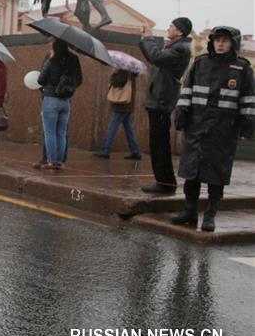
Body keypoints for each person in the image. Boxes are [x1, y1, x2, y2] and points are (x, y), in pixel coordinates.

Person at [171, 27, 254, 231]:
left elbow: (249, 99)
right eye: (217, 40)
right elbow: (187, 90)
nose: (220, 44)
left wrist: (247, 126)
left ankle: (210, 214)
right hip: (197, 128)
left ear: (233, 43)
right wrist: (182, 115)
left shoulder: (242, 68)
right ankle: (189, 211)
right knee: (192, 172)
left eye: (225, 40)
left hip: (224, 131)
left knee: (217, 175)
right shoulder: (200, 62)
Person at [138, 17, 192, 193]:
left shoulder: (180, 48)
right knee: (157, 142)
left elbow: (156, 57)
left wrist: (148, 39)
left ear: (180, 31)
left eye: (172, 26)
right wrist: (145, 40)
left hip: (163, 99)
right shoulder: (176, 46)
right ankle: (163, 181)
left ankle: (165, 183)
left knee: (160, 143)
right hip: (160, 97)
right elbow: (154, 57)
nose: (168, 28)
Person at [37, 38, 82, 169]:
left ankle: (51, 161)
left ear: (55, 45)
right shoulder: (74, 59)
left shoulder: (52, 59)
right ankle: (60, 162)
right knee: (61, 133)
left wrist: (50, 60)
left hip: (51, 99)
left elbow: (41, 80)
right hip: (66, 101)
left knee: (49, 132)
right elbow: (79, 80)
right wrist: (67, 87)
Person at [93, 69, 142, 159]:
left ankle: (105, 150)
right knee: (128, 129)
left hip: (122, 105)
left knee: (113, 126)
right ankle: (135, 151)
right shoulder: (132, 72)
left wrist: (113, 74)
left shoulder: (124, 71)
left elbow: (117, 82)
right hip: (127, 104)